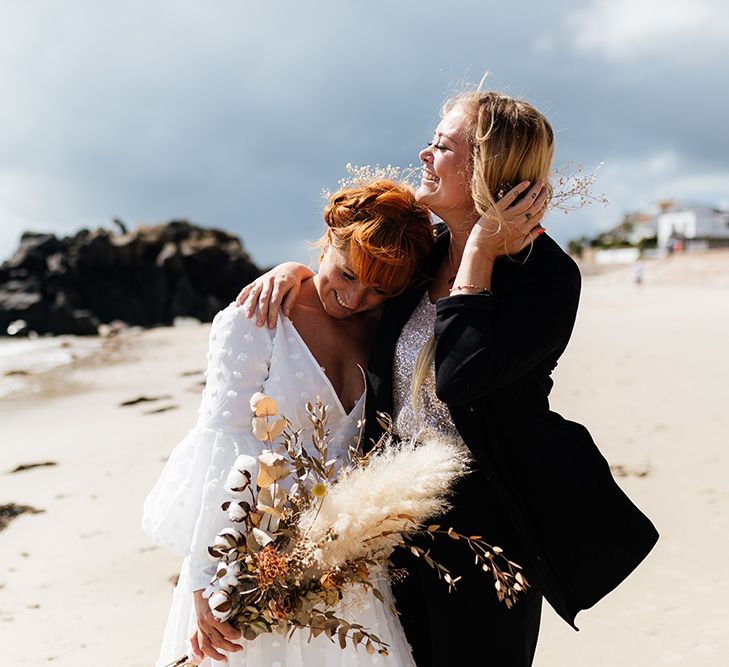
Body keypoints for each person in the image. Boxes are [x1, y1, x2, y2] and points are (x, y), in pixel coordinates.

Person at [237, 90, 659, 666]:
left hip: (489, 532)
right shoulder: (424, 254)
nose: (424, 154)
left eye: (442, 145)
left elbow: (461, 377)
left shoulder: (548, 279)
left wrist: (480, 252)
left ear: (486, 167)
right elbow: (356, 297)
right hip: (387, 518)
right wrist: (295, 275)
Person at [142, 179, 438, 667]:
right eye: (346, 274)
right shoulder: (257, 318)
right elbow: (222, 451)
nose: (355, 298)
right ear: (330, 236)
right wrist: (204, 577)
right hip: (251, 560)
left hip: (351, 564)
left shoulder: (388, 328)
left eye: (378, 289)